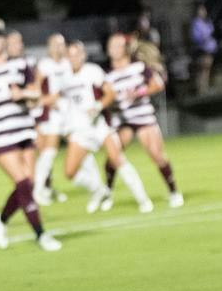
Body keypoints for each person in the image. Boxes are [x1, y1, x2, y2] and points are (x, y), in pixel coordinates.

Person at [0, 22, 62, 252]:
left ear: (4, 41)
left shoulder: (22, 64)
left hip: (23, 128)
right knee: (24, 182)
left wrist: (22, 93)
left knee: (29, 183)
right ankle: (41, 234)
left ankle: (1, 220)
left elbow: (37, 93)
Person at [55, 40, 152, 213]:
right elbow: (61, 100)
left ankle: (143, 199)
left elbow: (110, 93)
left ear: (83, 55)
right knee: (70, 172)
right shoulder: (63, 76)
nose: (73, 59)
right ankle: (99, 190)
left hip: (99, 125)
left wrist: (98, 107)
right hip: (79, 130)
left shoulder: (92, 71)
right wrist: (66, 127)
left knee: (117, 159)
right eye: (70, 55)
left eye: (76, 55)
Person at [105, 33, 183, 207]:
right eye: (112, 46)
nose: (114, 49)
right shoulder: (108, 75)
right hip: (122, 119)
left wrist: (138, 93)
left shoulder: (139, 67)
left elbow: (157, 84)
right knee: (113, 156)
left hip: (142, 116)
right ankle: (107, 193)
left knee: (156, 154)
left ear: (125, 48)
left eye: (118, 45)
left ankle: (174, 191)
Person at [31, 33, 74, 205]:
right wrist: (47, 101)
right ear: (49, 47)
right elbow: (36, 87)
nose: (58, 47)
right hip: (50, 113)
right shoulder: (44, 65)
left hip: (69, 112)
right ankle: (41, 189)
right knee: (46, 152)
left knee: (78, 147)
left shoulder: (69, 63)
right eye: (55, 44)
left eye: (61, 44)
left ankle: (41, 189)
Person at [188, 7, 218, 92]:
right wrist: (204, 38)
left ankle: (205, 87)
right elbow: (196, 37)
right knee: (201, 70)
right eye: (201, 10)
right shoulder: (196, 23)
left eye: (204, 10)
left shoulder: (207, 22)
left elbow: (211, 32)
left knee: (207, 70)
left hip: (209, 50)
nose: (203, 12)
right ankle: (201, 88)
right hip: (201, 50)